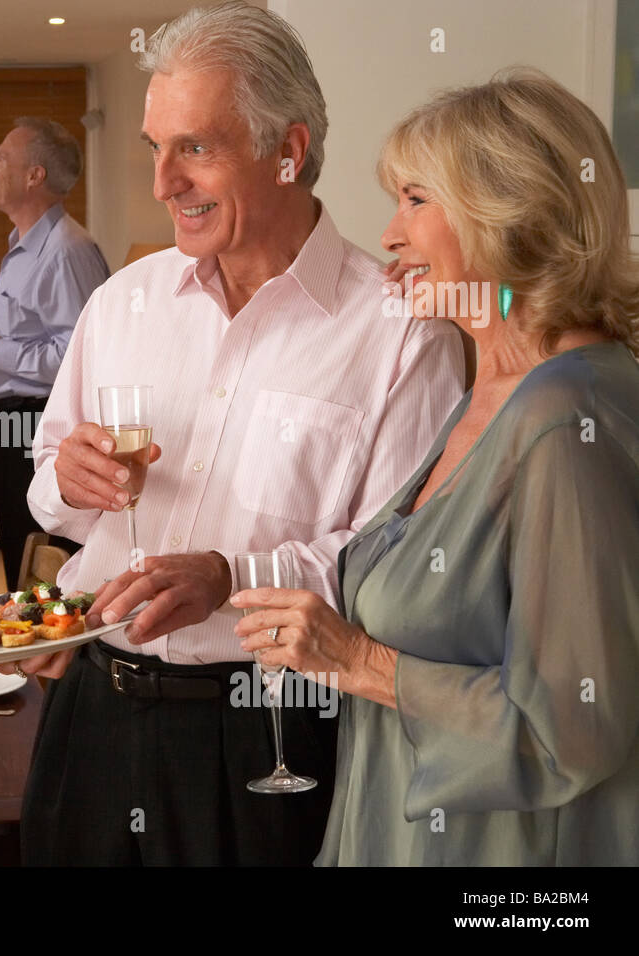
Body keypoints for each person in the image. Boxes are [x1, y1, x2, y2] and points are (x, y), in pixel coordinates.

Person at [10, 2, 466, 866]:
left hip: (267, 738)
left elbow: (395, 568)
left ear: (288, 151)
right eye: (155, 148)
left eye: (196, 148)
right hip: (92, 713)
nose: (162, 183)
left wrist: (233, 579)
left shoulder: (404, 333)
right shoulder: (123, 303)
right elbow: (46, 489)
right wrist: (69, 479)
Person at [233, 69, 639, 866]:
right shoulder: (492, 383)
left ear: (508, 210)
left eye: (416, 200)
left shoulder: (565, 415)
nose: (388, 233)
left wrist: (357, 660)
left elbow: (574, 729)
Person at [0, 118, 109, 586]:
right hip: (9, 422)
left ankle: (49, 656)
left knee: (43, 566)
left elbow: (81, 358)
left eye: (0, 158)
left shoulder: (65, 250)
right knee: (20, 559)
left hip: (37, 423)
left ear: (34, 175)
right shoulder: (23, 245)